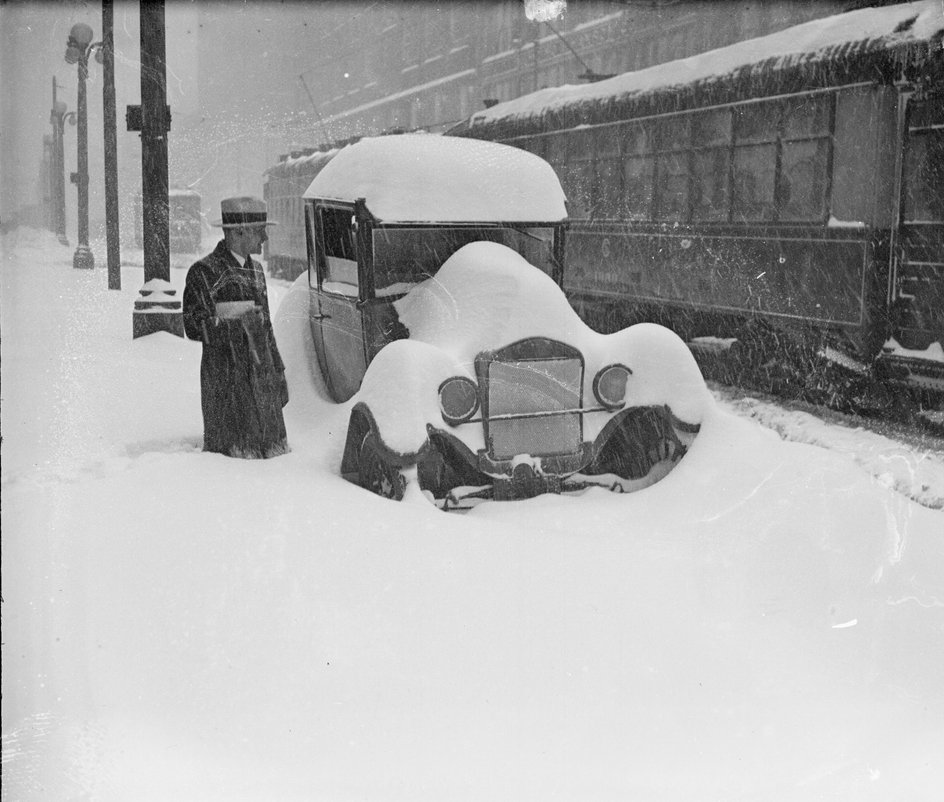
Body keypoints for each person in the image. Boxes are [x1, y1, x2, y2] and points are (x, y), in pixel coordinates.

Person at [183, 196, 289, 458]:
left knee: (270, 459)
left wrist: (278, 370)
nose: (264, 237)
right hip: (226, 381)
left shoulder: (257, 271)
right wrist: (239, 327)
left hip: (260, 378)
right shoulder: (203, 272)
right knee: (233, 460)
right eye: (259, 230)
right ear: (238, 231)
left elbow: (266, 327)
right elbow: (194, 326)